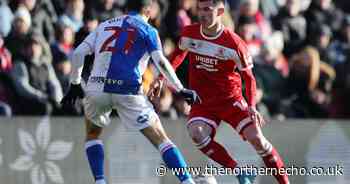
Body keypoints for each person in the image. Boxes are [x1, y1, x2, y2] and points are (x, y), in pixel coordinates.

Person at [149, 0, 289, 184]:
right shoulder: (190, 33)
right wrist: (160, 78)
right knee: (196, 132)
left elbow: (249, 78)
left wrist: (252, 106)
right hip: (203, 101)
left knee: (258, 141)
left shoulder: (234, 44)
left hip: (231, 100)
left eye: (207, 9)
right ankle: (239, 171)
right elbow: (177, 56)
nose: (202, 14)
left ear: (221, 11)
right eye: (199, 9)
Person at [60, 1, 200, 184]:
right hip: (128, 91)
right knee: (161, 139)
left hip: (96, 89)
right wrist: (180, 88)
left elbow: (78, 53)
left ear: (126, 9)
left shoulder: (104, 25)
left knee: (93, 134)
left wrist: (75, 83)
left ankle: (100, 181)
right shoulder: (148, 30)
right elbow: (161, 62)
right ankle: (187, 181)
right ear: (148, 10)